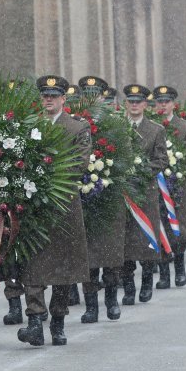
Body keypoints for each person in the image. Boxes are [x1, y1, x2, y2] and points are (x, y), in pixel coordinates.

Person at [16, 75, 91, 346]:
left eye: (53, 95)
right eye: (44, 95)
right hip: (34, 206)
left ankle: (58, 320)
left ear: (63, 99)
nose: (48, 99)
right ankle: (35, 319)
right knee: (32, 261)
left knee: (63, 265)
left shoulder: (77, 127)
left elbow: (80, 162)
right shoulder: (28, 125)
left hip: (64, 205)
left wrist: (47, 178)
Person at [79, 75, 127, 323]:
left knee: (110, 254)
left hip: (110, 197)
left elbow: (127, 161)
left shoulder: (116, 122)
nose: (91, 99)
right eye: (86, 94)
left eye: (94, 94)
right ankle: (90, 306)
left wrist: (106, 174)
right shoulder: (76, 122)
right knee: (88, 255)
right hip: (84, 200)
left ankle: (111, 299)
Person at [120, 84, 168, 302]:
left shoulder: (156, 129)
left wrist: (141, 171)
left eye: (138, 101)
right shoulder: (118, 127)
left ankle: (146, 283)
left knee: (147, 241)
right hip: (123, 193)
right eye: (131, 101)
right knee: (126, 243)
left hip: (145, 192)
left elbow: (161, 159)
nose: (135, 105)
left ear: (145, 105)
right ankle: (128, 288)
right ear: (126, 104)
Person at [153, 85, 186, 287]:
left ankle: (179, 270)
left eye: (166, 102)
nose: (163, 105)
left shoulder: (185, 128)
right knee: (159, 228)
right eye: (160, 102)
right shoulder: (151, 126)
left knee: (178, 231)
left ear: (173, 104)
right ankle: (163, 274)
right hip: (155, 187)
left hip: (176, 188)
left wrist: (176, 170)